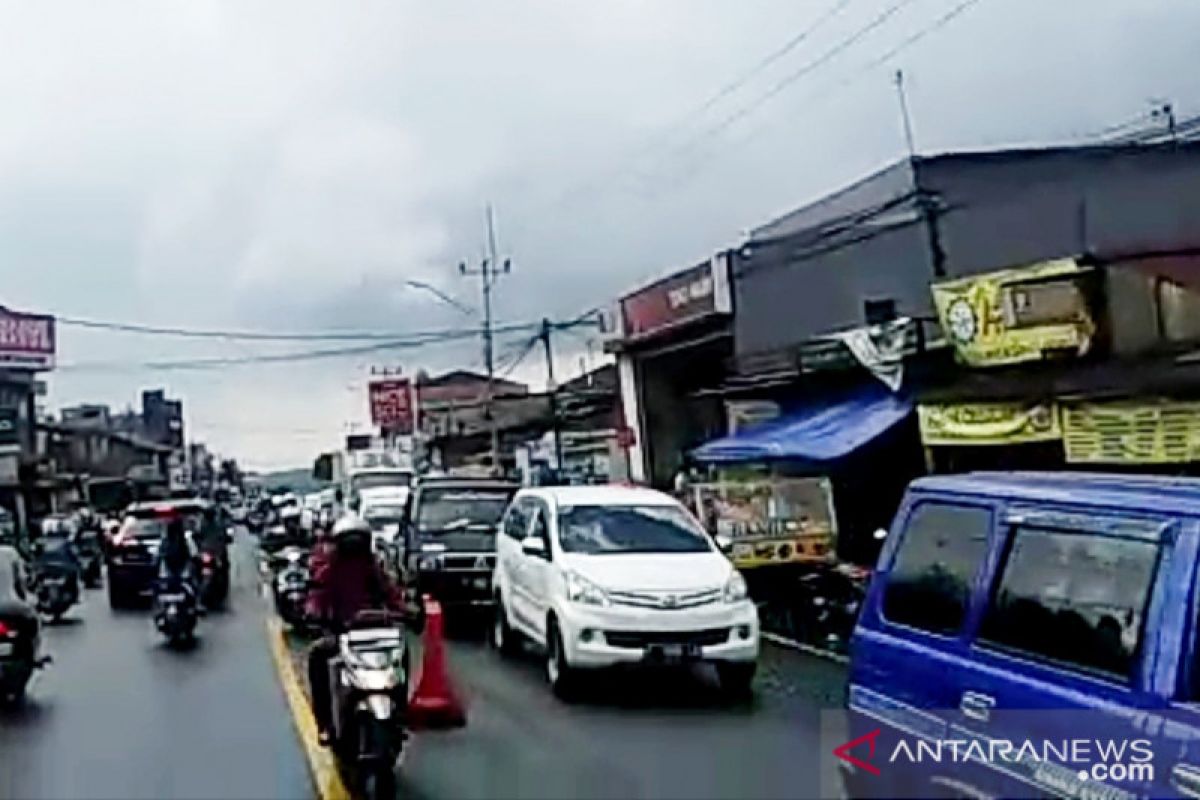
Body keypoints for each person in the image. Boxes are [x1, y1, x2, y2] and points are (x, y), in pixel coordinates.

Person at [306, 513, 408, 745]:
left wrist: (405, 610)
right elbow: (317, 595)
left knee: (403, 655)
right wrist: (314, 612)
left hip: (375, 636)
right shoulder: (329, 569)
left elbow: (391, 594)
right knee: (318, 657)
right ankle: (324, 722)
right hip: (342, 635)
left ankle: (400, 712)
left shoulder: (372, 568)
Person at [155, 517, 198, 597]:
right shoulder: (187, 539)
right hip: (181, 573)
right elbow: (194, 555)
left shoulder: (165, 541)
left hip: (170, 573)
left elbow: (159, 555)